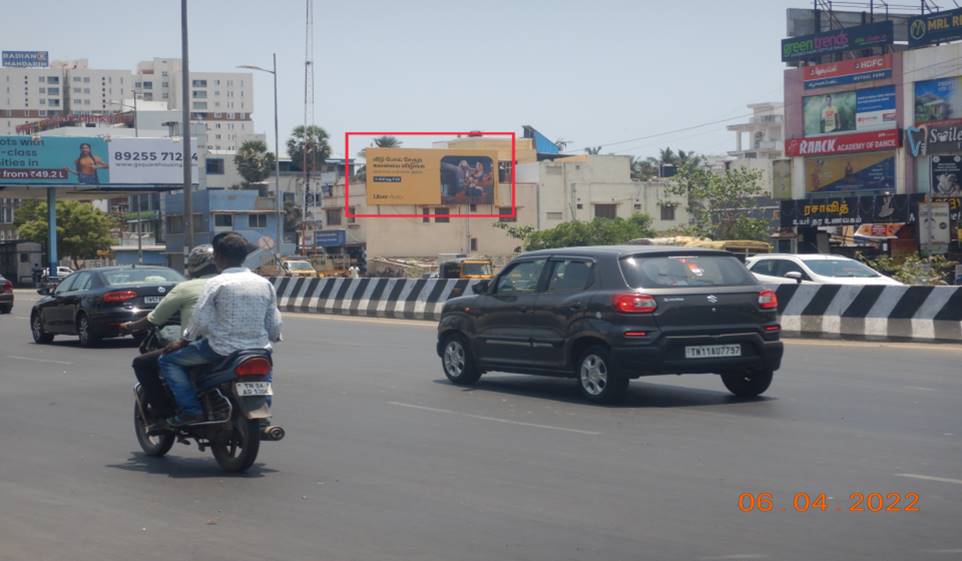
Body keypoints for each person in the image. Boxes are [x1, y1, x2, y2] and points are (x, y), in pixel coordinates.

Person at [158, 232, 283, 427]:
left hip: (220, 349)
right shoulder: (265, 284)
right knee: (264, 368)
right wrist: (272, 338)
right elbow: (274, 324)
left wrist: (183, 341)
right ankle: (262, 418)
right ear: (244, 257)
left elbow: (200, 320)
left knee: (167, 361)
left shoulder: (216, 283)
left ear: (218, 257)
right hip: (258, 349)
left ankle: (191, 411)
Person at [120, 245, 219, 419]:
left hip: (206, 346)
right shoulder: (233, 284)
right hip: (246, 346)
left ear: (194, 265)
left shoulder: (187, 287)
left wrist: (130, 327)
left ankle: (171, 411)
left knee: (146, 363)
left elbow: (154, 318)